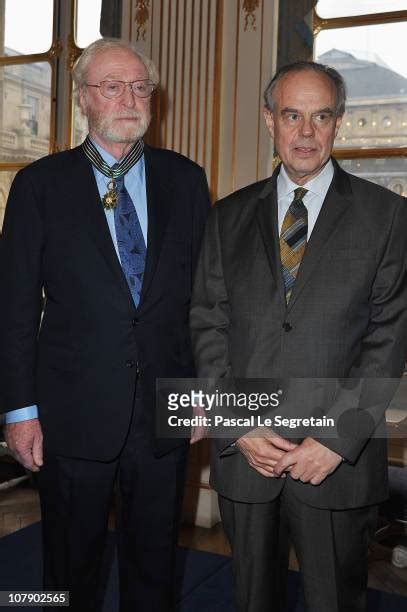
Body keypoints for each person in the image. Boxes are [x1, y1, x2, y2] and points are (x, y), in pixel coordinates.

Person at [0, 38, 210, 612]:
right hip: (70, 413)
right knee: (68, 569)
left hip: (167, 410)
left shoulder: (186, 181)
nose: (129, 98)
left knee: (155, 565)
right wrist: (19, 413)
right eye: (112, 86)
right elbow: (14, 307)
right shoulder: (39, 186)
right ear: (83, 100)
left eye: (140, 87)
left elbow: (204, 300)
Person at [190, 60, 407, 612]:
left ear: (338, 123)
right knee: (250, 599)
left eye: (321, 116)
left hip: (337, 461)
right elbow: (208, 324)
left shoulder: (389, 217)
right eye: (292, 115)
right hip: (248, 457)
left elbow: (389, 336)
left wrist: (336, 439)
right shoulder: (227, 217)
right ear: (270, 120)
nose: (306, 132)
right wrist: (237, 425)